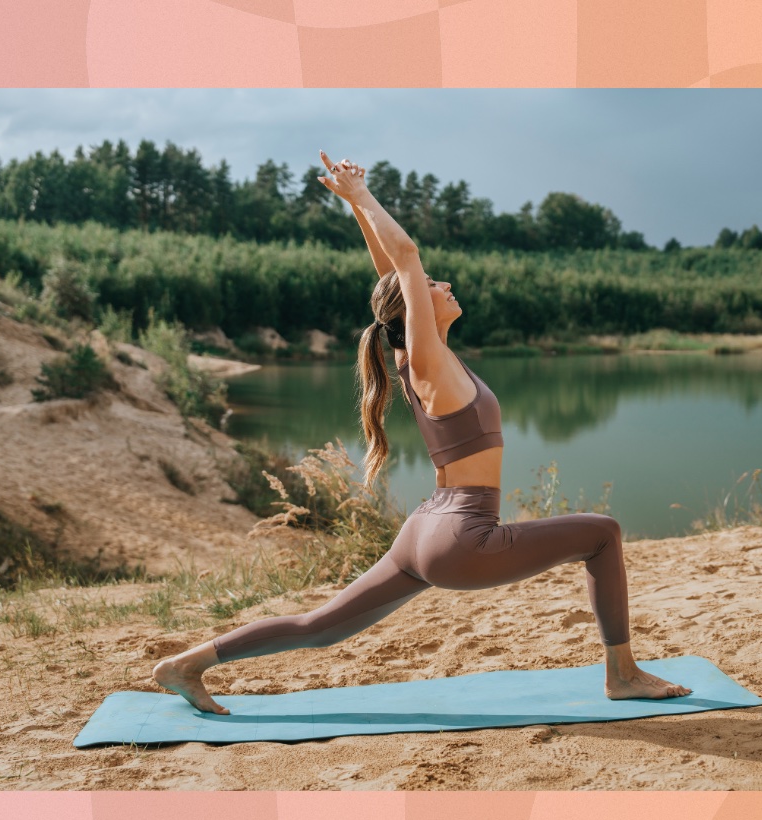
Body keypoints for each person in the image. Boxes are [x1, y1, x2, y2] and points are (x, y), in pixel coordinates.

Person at [153, 151, 692, 714]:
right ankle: (623, 673)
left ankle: (187, 665)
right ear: (414, 308)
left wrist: (357, 212)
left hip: (426, 529)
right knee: (602, 533)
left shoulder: (418, 357)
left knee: (321, 627)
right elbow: (405, 259)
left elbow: (391, 269)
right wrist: (363, 196)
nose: (444, 283)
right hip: (462, 536)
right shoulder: (428, 360)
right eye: (432, 284)